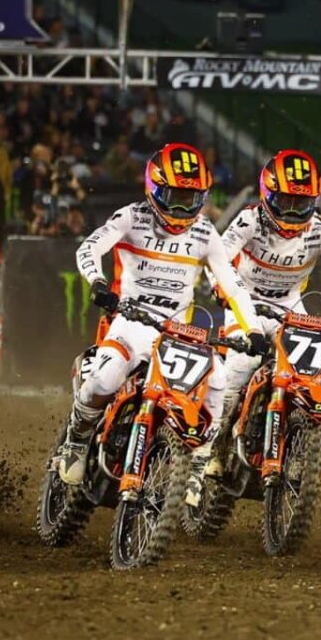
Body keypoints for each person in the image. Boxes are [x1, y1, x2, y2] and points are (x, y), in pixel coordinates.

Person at [185, 150, 321, 506]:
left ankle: (287, 437)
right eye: (286, 201)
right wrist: (221, 286)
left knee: (306, 374)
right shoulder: (250, 220)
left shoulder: (320, 230)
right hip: (245, 304)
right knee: (237, 371)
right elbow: (216, 254)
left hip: (289, 307)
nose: (294, 212)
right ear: (268, 195)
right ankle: (211, 453)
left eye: (302, 202)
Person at [52, 143, 264, 485]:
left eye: (191, 197)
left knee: (218, 381)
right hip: (130, 320)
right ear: (154, 188)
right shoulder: (131, 216)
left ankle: (196, 467)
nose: (182, 207)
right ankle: (76, 439)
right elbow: (90, 247)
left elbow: (233, 285)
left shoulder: (205, 232)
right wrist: (98, 282)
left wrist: (252, 329)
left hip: (177, 333)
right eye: (175, 195)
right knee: (103, 381)